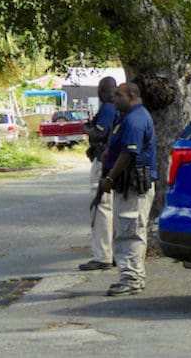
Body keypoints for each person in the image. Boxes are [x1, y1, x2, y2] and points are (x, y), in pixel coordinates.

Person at [99, 82, 156, 296]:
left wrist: (110, 177)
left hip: (133, 185)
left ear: (131, 95)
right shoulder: (128, 118)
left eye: (118, 95)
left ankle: (131, 279)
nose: (113, 99)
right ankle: (130, 277)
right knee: (126, 231)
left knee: (130, 232)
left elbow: (128, 154)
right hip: (127, 186)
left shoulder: (135, 120)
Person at [78, 76, 119, 271]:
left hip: (103, 161)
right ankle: (111, 252)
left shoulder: (108, 107)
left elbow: (100, 133)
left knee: (100, 206)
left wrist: (86, 128)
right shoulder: (118, 107)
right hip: (110, 160)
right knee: (109, 207)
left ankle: (102, 255)